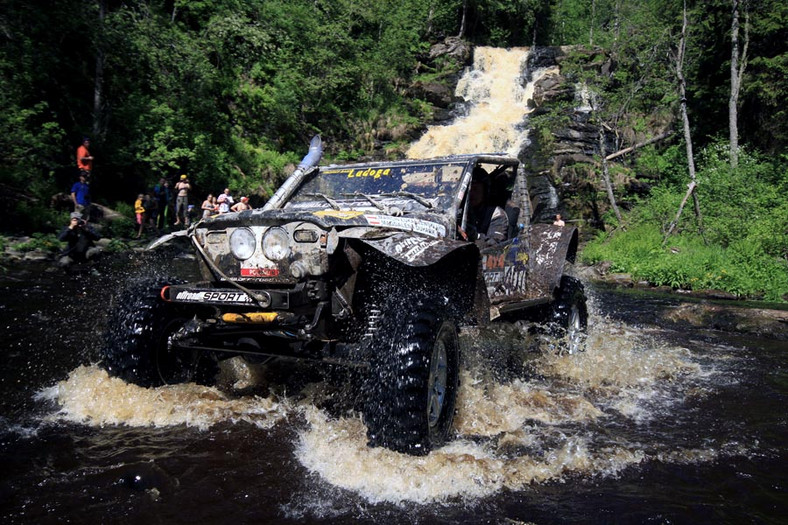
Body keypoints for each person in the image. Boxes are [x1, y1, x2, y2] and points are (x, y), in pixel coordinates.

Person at [462, 166, 508, 245]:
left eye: (475, 189)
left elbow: (494, 245)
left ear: (485, 190)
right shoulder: (460, 211)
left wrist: (476, 236)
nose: (472, 194)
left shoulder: (496, 214)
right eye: (469, 190)